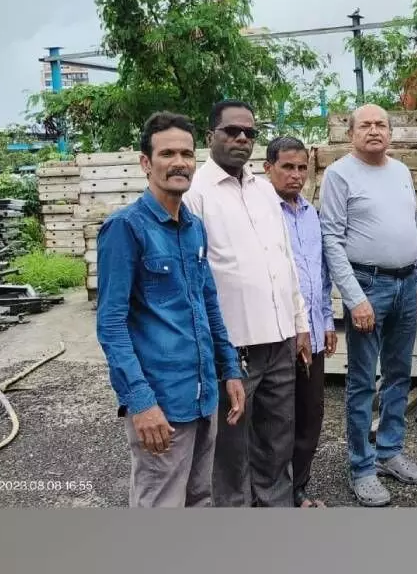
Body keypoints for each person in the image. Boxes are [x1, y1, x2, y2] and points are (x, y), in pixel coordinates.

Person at [95, 111, 245, 508]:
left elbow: (208, 303)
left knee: (199, 498)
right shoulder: (126, 228)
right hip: (162, 402)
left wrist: (229, 370)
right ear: (146, 163)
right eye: (167, 153)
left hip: (202, 395)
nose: (179, 162)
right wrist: (140, 401)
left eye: (186, 153)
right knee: (161, 503)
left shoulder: (194, 227)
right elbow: (110, 324)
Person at [183, 100, 312, 509]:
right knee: (230, 444)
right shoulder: (195, 194)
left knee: (278, 434)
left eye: (249, 133)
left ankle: (275, 508)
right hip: (232, 346)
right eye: (232, 131)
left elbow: (284, 261)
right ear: (211, 137)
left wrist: (300, 323)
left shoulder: (261, 191)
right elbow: (195, 278)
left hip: (278, 338)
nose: (242, 138)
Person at [319, 103, 417, 507]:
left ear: (390, 131)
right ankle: (361, 467)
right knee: (363, 381)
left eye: (380, 124)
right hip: (368, 285)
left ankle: (390, 452)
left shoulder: (400, 171)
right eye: (365, 125)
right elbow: (330, 238)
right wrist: (354, 297)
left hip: (405, 283)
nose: (373, 130)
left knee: (399, 375)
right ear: (351, 133)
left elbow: (413, 226)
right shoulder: (339, 174)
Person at [263, 135, 339, 508]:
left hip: (314, 335)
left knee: (310, 415)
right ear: (268, 168)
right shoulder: (261, 214)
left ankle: (298, 487)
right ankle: (271, 493)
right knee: (275, 421)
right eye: (287, 167)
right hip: (277, 335)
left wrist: (326, 320)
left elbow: (319, 275)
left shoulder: (311, 214)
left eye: (301, 168)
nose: (295, 176)